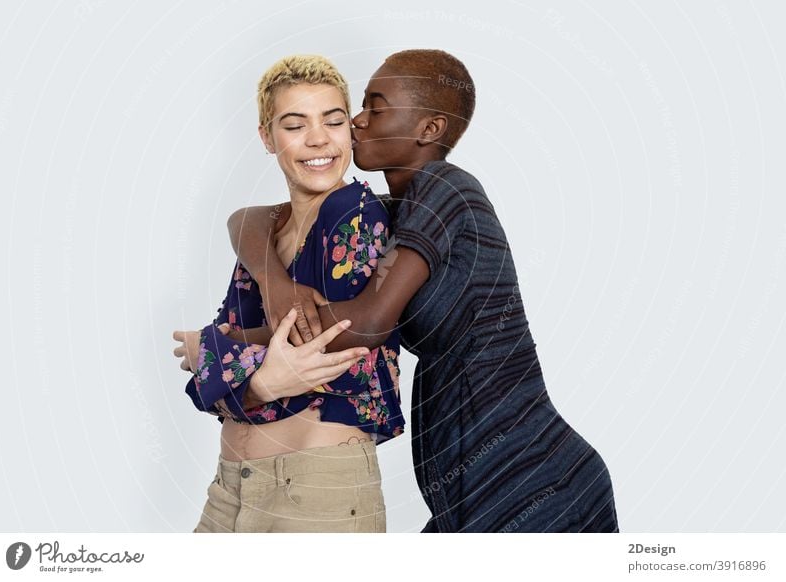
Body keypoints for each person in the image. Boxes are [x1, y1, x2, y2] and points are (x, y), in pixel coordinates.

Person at [226, 49, 619, 533]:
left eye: (376, 106)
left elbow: (368, 323)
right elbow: (248, 218)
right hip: (463, 487)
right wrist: (276, 282)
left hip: (534, 479)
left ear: (429, 130)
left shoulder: (447, 189)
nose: (356, 120)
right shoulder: (399, 211)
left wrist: (232, 343)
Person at [172, 55, 404, 533]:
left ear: (349, 131)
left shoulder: (355, 213)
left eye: (333, 121)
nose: (318, 138)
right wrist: (253, 376)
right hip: (230, 488)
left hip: (317, 488)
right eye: (295, 125)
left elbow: (323, 336)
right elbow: (226, 342)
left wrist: (211, 351)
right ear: (266, 138)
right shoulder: (269, 232)